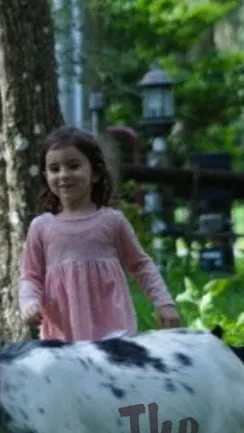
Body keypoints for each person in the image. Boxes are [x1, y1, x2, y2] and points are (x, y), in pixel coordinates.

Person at [18, 125, 180, 341]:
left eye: (73, 166)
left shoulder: (112, 221)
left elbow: (141, 265)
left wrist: (164, 303)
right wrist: (29, 302)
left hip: (113, 334)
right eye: (54, 169)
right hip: (64, 336)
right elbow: (30, 276)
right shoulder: (41, 227)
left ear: (94, 173)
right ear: (45, 175)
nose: (64, 175)